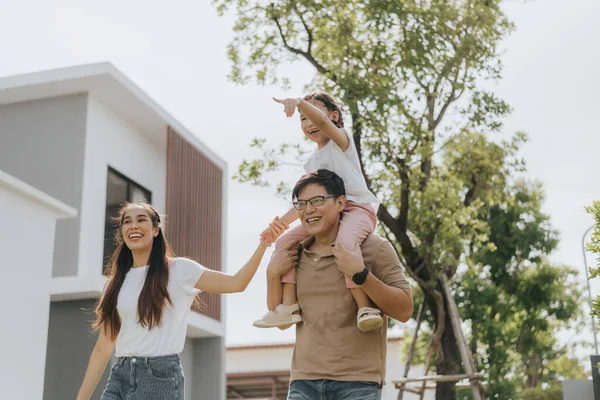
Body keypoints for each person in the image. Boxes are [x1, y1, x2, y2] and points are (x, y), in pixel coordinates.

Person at [76, 201, 287, 400]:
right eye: (127, 221)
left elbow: (236, 283)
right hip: (120, 375)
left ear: (156, 230)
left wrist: (264, 244)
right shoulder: (115, 283)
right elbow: (103, 348)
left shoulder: (179, 270)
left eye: (141, 219)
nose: (133, 226)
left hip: (159, 378)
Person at [265, 170, 413, 400]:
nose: (309, 210)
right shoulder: (295, 253)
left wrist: (360, 274)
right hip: (303, 383)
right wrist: (272, 273)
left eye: (317, 201)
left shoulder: (375, 248)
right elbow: (281, 322)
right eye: (301, 204)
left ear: (341, 202)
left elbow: (404, 310)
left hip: (358, 383)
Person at [253, 92, 383, 332]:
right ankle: (289, 306)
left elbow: (323, 123)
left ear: (334, 116)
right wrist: (277, 227)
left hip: (356, 210)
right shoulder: (311, 164)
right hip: (326, 213)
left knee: (344, 243)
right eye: (302, 119)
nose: (309, 123)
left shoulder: (342, 142)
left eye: (313, 115)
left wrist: (300, 103)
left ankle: (365, 306)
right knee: (285, 243)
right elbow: (305, 203)